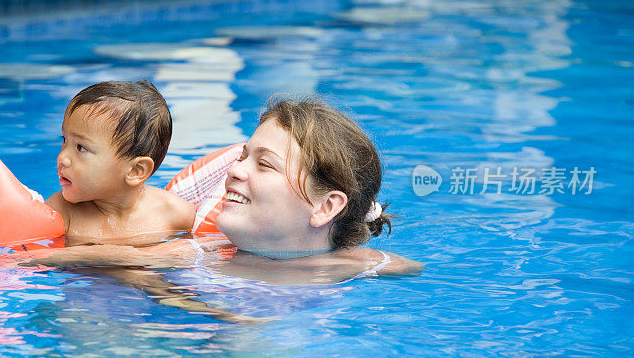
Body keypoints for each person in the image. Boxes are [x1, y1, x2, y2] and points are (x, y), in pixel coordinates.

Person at [23, 98, 423, 282]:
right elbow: (120, 254)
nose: (234, 170)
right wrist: (24, 261)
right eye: (242, 156)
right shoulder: (206, 252)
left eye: (262, 163)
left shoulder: (369, 265)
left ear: (325, 207)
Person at [45, 80, 195, 246]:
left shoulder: (174, 213)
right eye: (64, 140)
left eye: (81, 147)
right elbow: (36, 257)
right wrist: (124, 256)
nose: (62, 157)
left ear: (136, 171)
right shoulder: (59, 212)